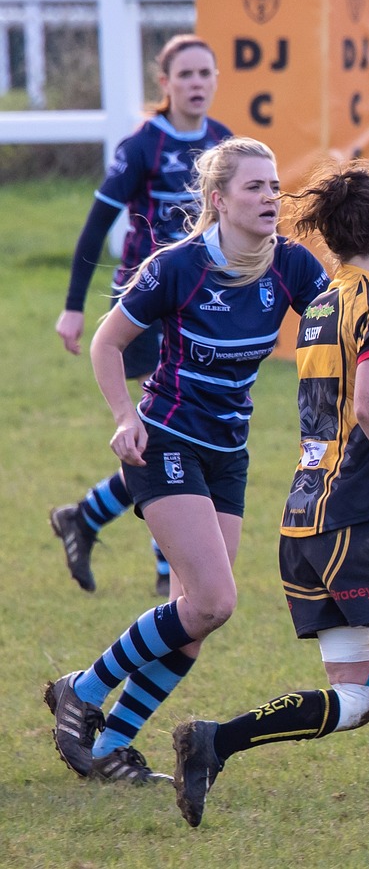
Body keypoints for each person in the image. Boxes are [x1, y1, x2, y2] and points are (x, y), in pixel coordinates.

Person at [168, 160, 369, 858]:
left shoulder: (318, 304)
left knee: (358, 697)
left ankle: (212, 741)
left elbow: (344, 422)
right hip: (361, 525)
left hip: (305, 524)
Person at [43, 138, 329, 786]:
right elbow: (107, 342)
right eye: (254, 187)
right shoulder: (178, 267)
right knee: (213, 598)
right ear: (218, 199)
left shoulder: (292, 265)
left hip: (230, 453)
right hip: (166, 439)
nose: (269, 198)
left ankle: (111, 745)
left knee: (193, 622)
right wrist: (124, 416)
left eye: (274, 186)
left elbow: (338, 324)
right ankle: (83, 689)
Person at [51, 34, 232, 597]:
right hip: (144, 303)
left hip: (200, 308)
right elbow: (95, 224)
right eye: (186, 75)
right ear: (166, 84)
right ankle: (164, 569)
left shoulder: (225, 144)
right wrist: (74, 307)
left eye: (206, 73)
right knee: (167, 431)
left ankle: (86, 516)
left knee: (174, 432)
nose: (197, 84)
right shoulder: (143, 146)